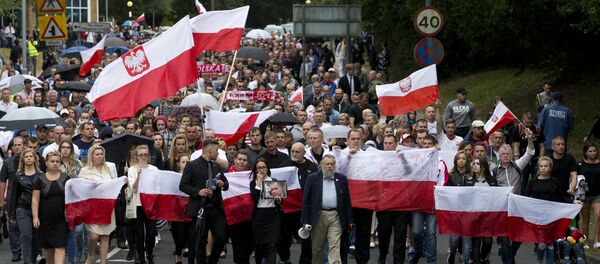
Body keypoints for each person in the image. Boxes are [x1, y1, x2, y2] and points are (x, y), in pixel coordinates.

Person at [179, 139, 229, 264]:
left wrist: (222, 184)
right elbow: (183, 185)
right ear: (209, 150)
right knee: (200, 241)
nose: (218, 153)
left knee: (222, 237)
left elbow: (226, 185)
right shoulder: (192, 165)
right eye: (216, 150)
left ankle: (212, 261)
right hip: (199, 208)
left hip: (216, 208)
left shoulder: (216, 166)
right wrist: (198, 192)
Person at [525, 156, 579, 264]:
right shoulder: (532, 182)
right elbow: (525, 198)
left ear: (550, 168)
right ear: (538, 168)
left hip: (552, 216)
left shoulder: (555, 181)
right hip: (538, 217)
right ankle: (540, 260)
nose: (543, 168)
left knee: (550, 243)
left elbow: (561, 197)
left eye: (546, 166)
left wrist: (573, 202)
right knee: (542, 244)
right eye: (541, 166)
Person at [301, 154, 353, 264]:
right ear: (321, 165)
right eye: (327, 164)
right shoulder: (313, 178)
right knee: (317, 248)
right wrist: (305, 221)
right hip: (318, 216)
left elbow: (347, 201)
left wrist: (350, 221)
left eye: (332, 164)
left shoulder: (342, 179)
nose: (329, 166)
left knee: (335, 245)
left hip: (336, 216)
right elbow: (306, 201)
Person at [494, 128, 535, 264]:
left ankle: (509, 256)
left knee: (518, 237)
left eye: (508, 153)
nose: (505, 155)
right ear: (499, 156)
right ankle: (509, 261)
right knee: (505, 239)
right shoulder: (494, 171)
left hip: (517, 208)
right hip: (502, 210)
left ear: (512, 155)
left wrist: (529, 138)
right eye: (503, 153)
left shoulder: (517, 166)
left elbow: (530, 153)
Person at [78, 145, 117, 264]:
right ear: (91, 156)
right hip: (92, 207)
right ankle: (90, 255)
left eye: (101, 154)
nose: (100, 156)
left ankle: (103, 262)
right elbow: (80, 188)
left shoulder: (108, 169)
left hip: (107, 206)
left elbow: (114, 184)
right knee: (94, 236)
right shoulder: (85, 170)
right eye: (97, 154)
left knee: (105, 236)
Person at [376, 134, 411, 264]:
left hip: (401, 204)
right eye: (386, 143)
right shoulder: (378, 158)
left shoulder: (403, 158)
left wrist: (402, 159)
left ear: (396, 144)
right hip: (384, 204)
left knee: (400, 236)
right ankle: (383, 255)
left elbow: (411, 172)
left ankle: (398, 260)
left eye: (391, 143)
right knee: (384, 233)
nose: (388, 145)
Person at [7, 148, 44, 264]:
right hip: (22, 208)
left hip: (38, 210)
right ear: (23, 159)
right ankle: (27, 262)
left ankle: (33, 260)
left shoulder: (42, 175)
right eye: (26, 156)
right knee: (26, 235)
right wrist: (11, 214)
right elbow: (12, 195)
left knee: (35, 237)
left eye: (31, 156)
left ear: (35, 159)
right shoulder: (18, 175)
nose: (28, 158)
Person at [32, 151, 69, 264]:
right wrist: (35, 217)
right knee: (48, 249)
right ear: (47, 163)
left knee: (60, 247)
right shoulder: (40, 179)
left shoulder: (66, 178)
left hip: (62, 219)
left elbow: (72, 197)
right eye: (52, 161)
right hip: (45, 219)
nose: (55, 163)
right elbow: (35, 199)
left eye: (57, 161)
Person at [127, 145, 159, 264]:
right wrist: (140, 175)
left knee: (151, 234)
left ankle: (149, 254)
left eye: (146, 155)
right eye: (141, 155)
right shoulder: (132, 169)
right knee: (139, 235)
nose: (143, 157)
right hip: (137, 205)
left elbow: (157, 186)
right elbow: (133, 189)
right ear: (136, 156)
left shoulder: (154, 169)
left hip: (150, 205)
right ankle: (141, 259)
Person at [250, 158, 282, 264]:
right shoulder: (253, 183)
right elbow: (254, 197)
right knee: (260, 246)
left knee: (271, 245)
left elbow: (279, 201)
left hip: (272, 216)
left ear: (267, 168)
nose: (261, 170)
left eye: (263, 167)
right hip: (259, 216)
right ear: (255, 170)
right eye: (259, 167)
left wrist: (278, 199)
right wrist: (258, 183)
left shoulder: (273, 181)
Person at [59, 139, 85, 264]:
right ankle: (70, 257)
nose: (65, 149)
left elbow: (82, 180)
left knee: (78, 230)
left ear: (71, 150)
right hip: (60, 200)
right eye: (63, 147)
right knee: (67, 230)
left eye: (67, 147)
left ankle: (79, 247)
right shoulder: (55, 162)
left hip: (75, 200)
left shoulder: (77, 163)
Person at [470, 157, 497, 264]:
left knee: (487, 242)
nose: (475, 165)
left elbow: (497, 197)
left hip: (487, 217)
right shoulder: (468, 179)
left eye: (478, 164)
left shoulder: (492, 180)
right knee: (475, 242)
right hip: (473, 216)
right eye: (474, 163)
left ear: (484, 167)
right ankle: (477, 260)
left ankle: (482, 258)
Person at [446, 151, 472, 264]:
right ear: (455, 161)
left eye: (463, 158)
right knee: (455, 239)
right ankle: (452, 254)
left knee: (466, 238)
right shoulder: (450, 175)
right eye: (459, 158)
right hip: (454, 212)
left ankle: (464, 259)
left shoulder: (472, 175)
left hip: (468, 212)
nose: (461, 160)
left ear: (467, 161)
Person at [578, 144, 600, 248]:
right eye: (590, 151)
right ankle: (585, 240)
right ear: (585, 152)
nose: (593, 153)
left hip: (597, 195)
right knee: (585, 219)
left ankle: (596, 240)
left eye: (594, 151)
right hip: (584, 195)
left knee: (598, 216)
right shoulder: (580, 164)